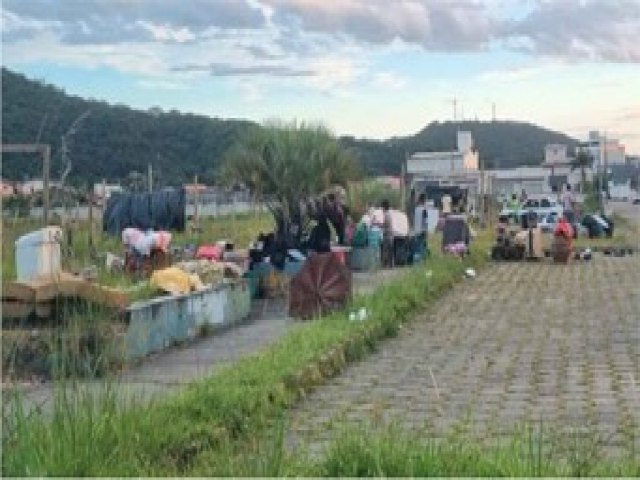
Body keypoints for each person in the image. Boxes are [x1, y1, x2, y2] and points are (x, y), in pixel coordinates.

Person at [413, 193, 428, 257]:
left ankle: (416, 258)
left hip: (416, 230)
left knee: (417, 245)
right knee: (422, 244)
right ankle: (421, 258)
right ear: (424, 200)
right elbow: (425, 220)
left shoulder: (416, 209)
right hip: (422, 230)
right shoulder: (424, 210)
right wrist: (426, 229)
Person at [380, 199, 394, 267]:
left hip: (387, 234)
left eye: (382, 207)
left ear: (384, 207)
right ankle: (390, 264)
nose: (382, 208)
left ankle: (384, 264)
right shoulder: (389, 213)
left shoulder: (386, 214)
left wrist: (378, 224)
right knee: (390, 250)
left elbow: (385, 224)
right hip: (390, 233)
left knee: (385, 250)